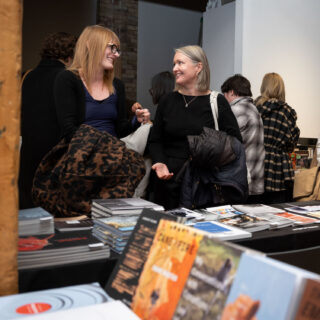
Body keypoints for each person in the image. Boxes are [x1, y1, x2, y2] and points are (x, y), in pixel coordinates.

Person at [148, 45, 242, 210]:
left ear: (198, 67)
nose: (175, 68)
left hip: (203, 184)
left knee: (200, 233)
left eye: (180, 63)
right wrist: (159, 162)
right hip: (168, 182)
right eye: (174, 64)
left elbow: (235, 143)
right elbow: (155, 139)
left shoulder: (216, 101)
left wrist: (208, 151)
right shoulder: (167, 100)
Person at [54, 25, 150, 142]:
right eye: (112, 48)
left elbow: (120, 130)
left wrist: (136, 121)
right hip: (81, 152)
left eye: (117, 50)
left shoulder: (117, 86)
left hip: (112, 152)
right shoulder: (68, 79)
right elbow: (68, 130)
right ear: (90, 45)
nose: (116, 55)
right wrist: (100, 146)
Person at [19, 32, 77, 209]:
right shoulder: (67, 78)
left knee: (28, 216)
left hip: (28, 155)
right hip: (55, 157)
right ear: (69, 56)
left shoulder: (26, 76)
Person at [254, 72, 300, 204]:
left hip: (256, 162)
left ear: (264, 87)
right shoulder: (287, 112)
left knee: (254, 208)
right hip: (279, 167)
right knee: (279, 209)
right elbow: (292, 143)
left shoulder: (254, 107)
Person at [221, 74, 265, 201]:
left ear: (232, 92)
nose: (224, 99)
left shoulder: (237, 109)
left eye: (225, 95)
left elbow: (223, 141)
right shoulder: (253, 109)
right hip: (255, 176)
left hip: (242, 178)